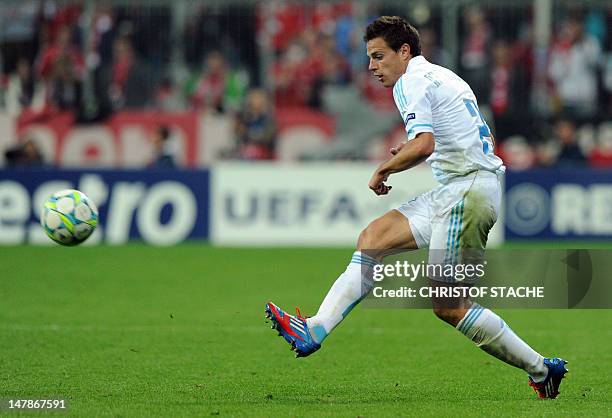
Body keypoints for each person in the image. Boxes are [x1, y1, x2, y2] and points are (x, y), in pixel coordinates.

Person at [265, 16, 567, 399]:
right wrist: (408, 152)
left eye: (378, 56)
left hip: (467, 191)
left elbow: (424, 144)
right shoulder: (444, 76)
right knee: (372, 238)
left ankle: (543, 370)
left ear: (404, 51)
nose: (372, 67)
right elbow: (445, 138)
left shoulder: (410, 82)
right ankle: (314, 329)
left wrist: (384, 168)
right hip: (459, 187)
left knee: (449, 306)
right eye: (369, 58)